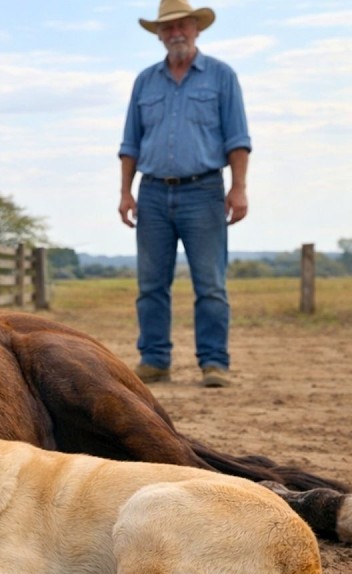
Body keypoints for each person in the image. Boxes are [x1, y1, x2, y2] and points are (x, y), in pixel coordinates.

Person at [117, 0, 250, 388]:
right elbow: (130, 142)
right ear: (159, 34)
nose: (176, 33)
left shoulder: (222, 77)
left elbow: (238, 139)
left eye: (182, 25)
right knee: (151, 284)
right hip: (153, 193)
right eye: (168, 27)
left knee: (210, 283)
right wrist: (125, 192)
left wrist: (238, 188)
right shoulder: (145, 81)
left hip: (204, 191)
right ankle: (155, 359)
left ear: (196, 28)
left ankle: (214, 362)